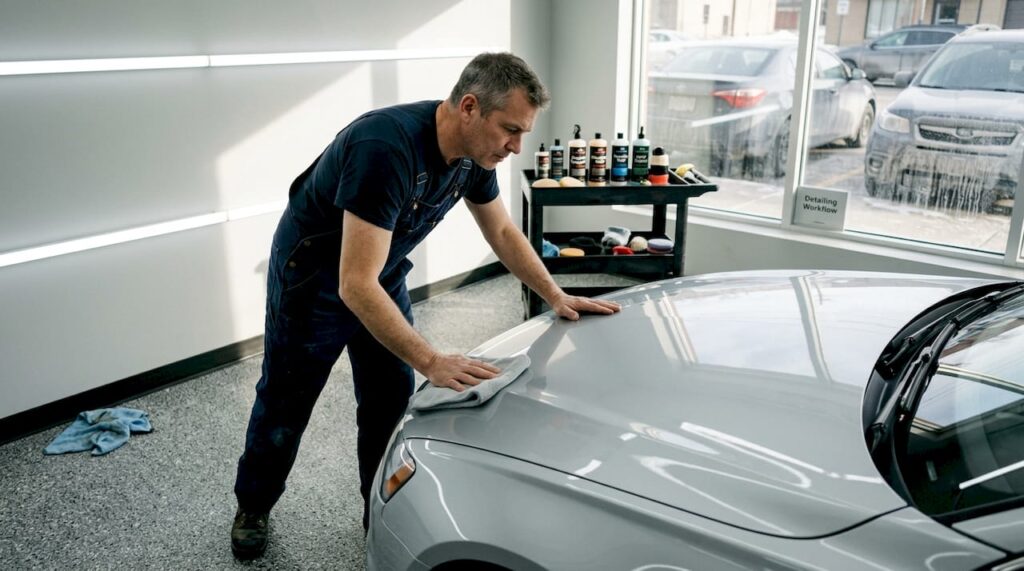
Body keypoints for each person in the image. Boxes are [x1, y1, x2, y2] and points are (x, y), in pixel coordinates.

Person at [230, 52, 621, 559]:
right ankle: (253, 506)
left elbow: (501, 230)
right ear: (469, 107)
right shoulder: (384, 147)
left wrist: (555, 294)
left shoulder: (474, 156)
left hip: (377, 270)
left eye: (522, 133)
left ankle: (380, 508)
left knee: (390, 398)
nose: (516, 146)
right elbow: (353, 284)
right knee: (288, 397)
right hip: (314, 278)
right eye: (510, 130)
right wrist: (432, 360)